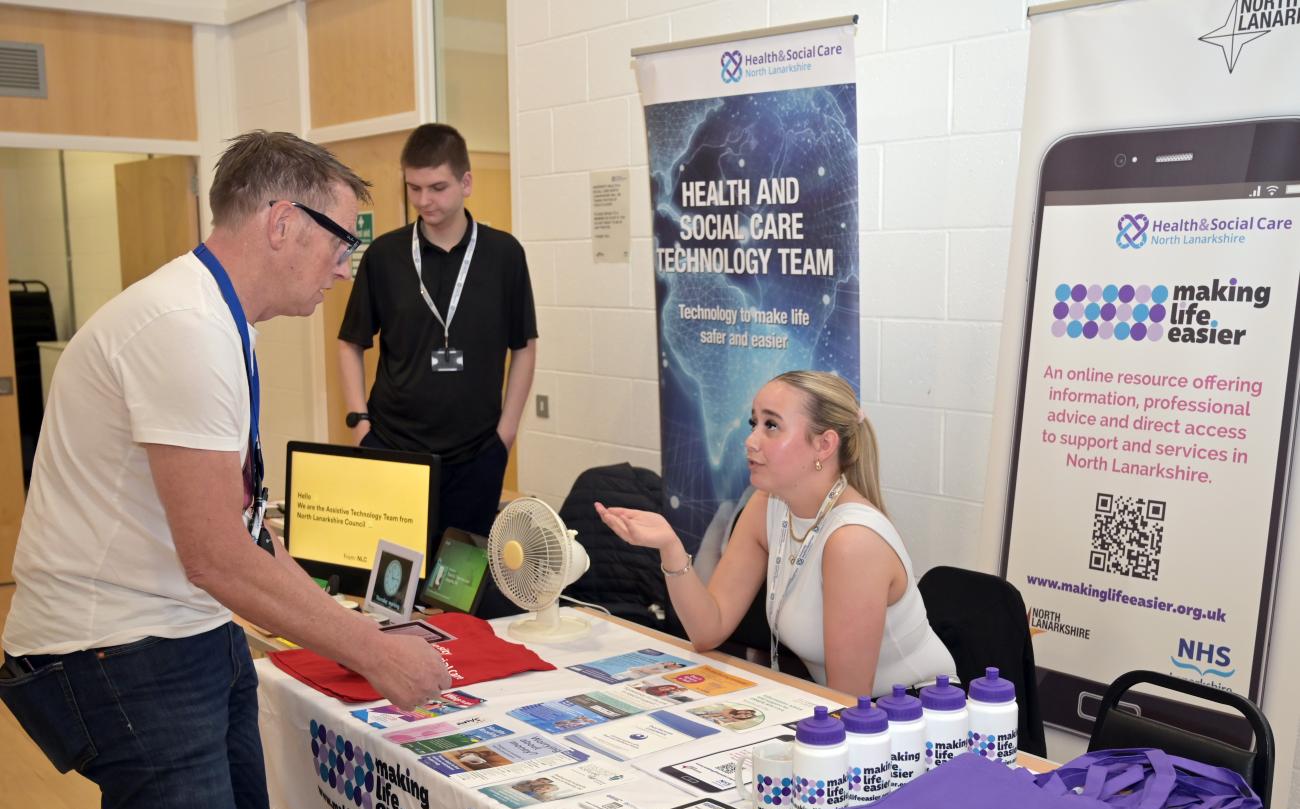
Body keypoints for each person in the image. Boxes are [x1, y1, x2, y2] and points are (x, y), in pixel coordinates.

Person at [0, 131, 452, 809]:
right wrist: (373, 652)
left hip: (182, 625)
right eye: (344, 239)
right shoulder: (184, 325)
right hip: (115, 646)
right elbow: (216, 555)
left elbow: (247, 525)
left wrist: (346, 622)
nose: (348, 266)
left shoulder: (220, 317)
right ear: (283, 223)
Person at [597, 370, 956, 698]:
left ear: (824, 445)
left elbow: (850, 702)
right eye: (755, 423)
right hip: (842, 710)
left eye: (772, 426)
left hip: (912, 714)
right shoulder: (767, 505)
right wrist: (670, 549)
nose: (751, 441)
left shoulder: (853, 541)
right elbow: (709, 630)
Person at [338, 122, 538, 538]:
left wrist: (506, 433)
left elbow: (524, 346)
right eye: (414, 188)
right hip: (393, 448)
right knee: (391, 582)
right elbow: (350, 343)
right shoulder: (386, 255)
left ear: (466, 182)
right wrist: (360, 426)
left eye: (437, 187)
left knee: (459, 584)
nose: (424, 201)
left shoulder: (504, 255)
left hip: (477, 455)